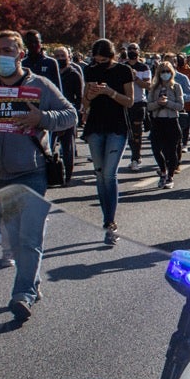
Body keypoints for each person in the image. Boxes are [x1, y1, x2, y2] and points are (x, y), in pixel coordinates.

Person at [0, 31, 77, 322]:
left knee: (29, 238)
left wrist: (43, 119)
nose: (2, 55)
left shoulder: (40, 86)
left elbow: (70, 115)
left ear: (20, 54)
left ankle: (22, 294)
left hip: (32, 171)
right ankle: (32, 281)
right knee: (14, 239)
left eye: (8, 50)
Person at [81, 38, 135, 245]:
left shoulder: (123, 71)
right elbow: (85, 103)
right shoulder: (90, 71)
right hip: (95, 126)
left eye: (103, 60)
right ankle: (106, 218)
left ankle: (110, 222)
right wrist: (90, 94)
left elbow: (129, 101)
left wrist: (109, 92)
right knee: (99, 174)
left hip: (117, 126)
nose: (99, 63)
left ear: (111, 56)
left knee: (110, 174)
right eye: (96, 60)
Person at [145, 58, 185, 188]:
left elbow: (180, 105)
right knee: (156, 149)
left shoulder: (176, 87)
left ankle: (170, 176)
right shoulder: (154, 88)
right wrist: (158, 103)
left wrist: (167, 103)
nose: (165, 73)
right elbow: (149, 106)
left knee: (171, 151)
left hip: (171, 121)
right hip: (157, 122)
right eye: (162, 71)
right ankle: (162, 171)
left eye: (168, 71)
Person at [52, 45, 85, 185]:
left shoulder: (74, 74)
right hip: (51, 113)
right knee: (49, 144)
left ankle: (68, 176)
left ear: (69, 57)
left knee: (68, 146)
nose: (60, 58)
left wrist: (75, 112)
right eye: (57, 56)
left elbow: (80, 96)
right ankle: (52, 173)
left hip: (68, 113)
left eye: (62, 56)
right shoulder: (50, 73)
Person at [122, 43, 151, 172]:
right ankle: (132, 155)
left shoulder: (144, 67)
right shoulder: (123, 67)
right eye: (130, 49)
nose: (132, 51)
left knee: (137, 132)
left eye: (135, 49)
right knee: (127, 132)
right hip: (125, 103)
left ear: (139, 51)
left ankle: (136, 158)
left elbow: (148, 85)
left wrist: (135, 78)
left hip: (139, 103)